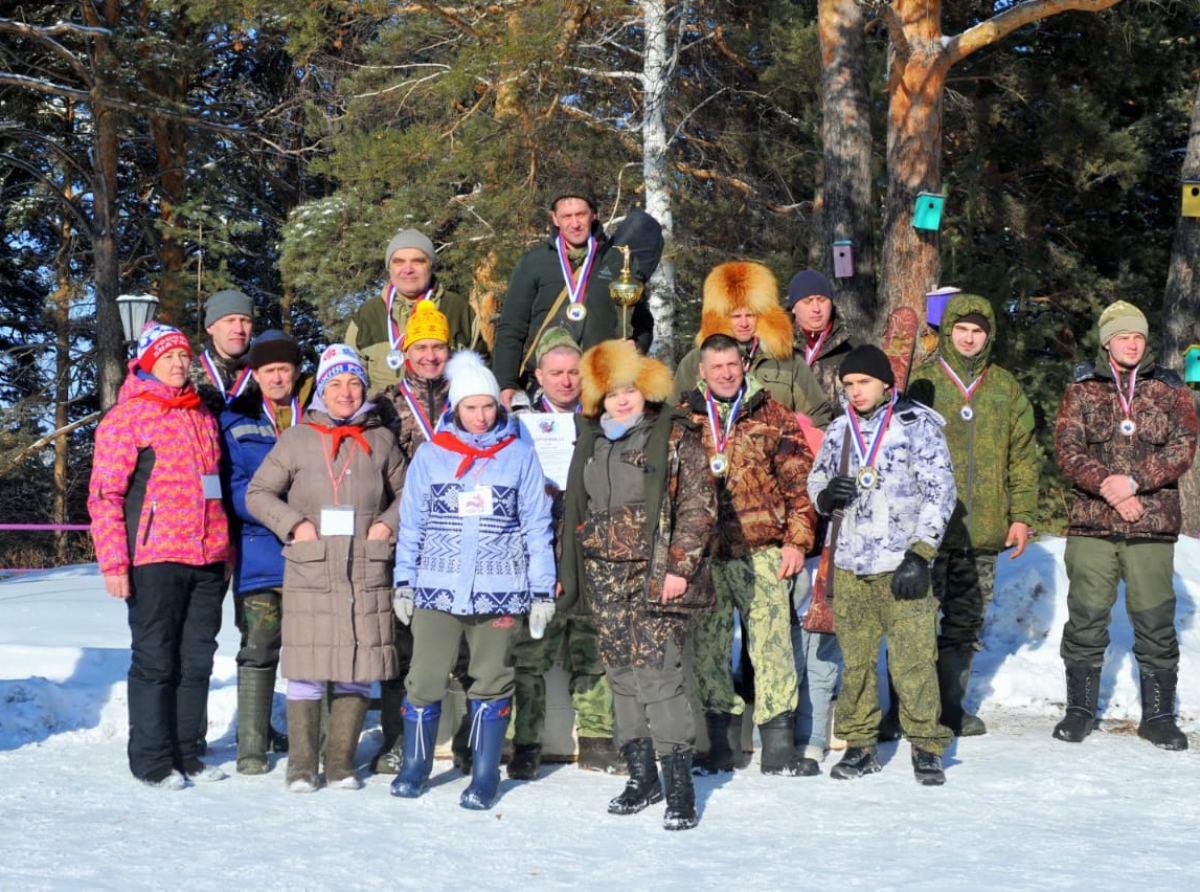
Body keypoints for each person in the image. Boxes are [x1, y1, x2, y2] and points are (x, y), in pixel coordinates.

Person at [560, 340, 717, 830]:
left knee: (659, 677)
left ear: (645, 389)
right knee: (622, 677)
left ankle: (679, 787)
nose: (621, 401)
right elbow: (577, 511)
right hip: (604, 577)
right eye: (610, 394)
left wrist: (678, 567)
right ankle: (641, 775)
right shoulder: (593, 441)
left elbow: (698, 508)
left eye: (628, 390)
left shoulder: (673, 437)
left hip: (654, 577)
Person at [390, 351, 555, 810]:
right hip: (437, 590)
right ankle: (415, 766)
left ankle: (484, 775)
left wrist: (541, 588)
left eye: (487, 406)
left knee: (492, 679)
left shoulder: (519, 455)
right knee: (423, 678)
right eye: (470, 407)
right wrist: (405, 582)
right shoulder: (432, 455)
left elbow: (536, 526)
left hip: (499, 590)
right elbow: (413, 523)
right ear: (455, 410)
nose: (480, 416)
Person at [246, 344, 407, 792]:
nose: (346, 392)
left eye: (354, 382)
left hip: (366, 567)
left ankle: (339, 764)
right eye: (335, 383)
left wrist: (386, 527)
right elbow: (258, 493)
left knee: (357, 665)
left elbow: (410, 496)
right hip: (311, 567)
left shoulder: (381, 440)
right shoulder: (296, 438)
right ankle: (301, 765)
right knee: (307, 665)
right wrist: (293, 525)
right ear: (321, 388)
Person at [88, 323, 231, 789]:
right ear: (147, 362)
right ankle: (152, 761)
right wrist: (113, 563)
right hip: (153, 556)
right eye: (166, 357)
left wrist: (225, 549)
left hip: (207, 556)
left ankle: (187, 752)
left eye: (182, 357)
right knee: (155, 659)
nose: (176, 364)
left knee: (197, 659)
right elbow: (105, 496)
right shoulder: (127, 418)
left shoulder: (202, 415)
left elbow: (217, 492)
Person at [807, 345, 956, 785]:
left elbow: (940, 492)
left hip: (903, 564)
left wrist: (921, 553)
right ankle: (859, 745)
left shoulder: (917, 426)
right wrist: (824, 496)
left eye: (864, 383)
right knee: (856, 663)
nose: (855, 391)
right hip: (852, 563)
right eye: (848, 384)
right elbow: (817, 478)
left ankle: (926, 745)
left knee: (913, 660)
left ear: (886, 384)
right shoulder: (838, 430)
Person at [1052, 300, 1197, 751]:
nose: (1132, 343)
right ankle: (1079, 710)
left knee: (1154, 618)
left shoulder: (1170, 390)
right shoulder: (1082, 389)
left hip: (1150, 524)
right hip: (1092, 526)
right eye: (1122, 336)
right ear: (1106, 343)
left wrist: (1133, 483)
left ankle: (1159, 715)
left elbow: (1184, 446)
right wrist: (1110, 487)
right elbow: (1067, 449)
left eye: (1138, 336)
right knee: (1087, 617)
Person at [680, 333, 818, 777]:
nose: (724, 373)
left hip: (762, 551)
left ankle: (778, 748)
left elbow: (801, 482)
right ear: (701, 371)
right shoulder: (683, 419)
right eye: (716, 366)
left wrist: (797, 541)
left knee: (773, 647)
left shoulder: (772, 414)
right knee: (708, 650)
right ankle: (719, 747)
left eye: (732, 365)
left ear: (744, 366)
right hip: (704, 556)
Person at [907, 293, 1039, 736]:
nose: (968, 337)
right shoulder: (922, 382)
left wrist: (1020, 514)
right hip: (927, 530)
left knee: (964, 622)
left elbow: (1022, 457)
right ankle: (907, 709)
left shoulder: (1004, 387)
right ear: (947, 332)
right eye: (960, 329)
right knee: (916, 620)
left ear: (989, 335)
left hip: (982, 529)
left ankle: (949, 707)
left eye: (977, 331)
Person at [508, 328, 622, 779]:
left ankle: (597, 741)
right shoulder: (518, 425)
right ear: (539, 375)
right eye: (555, 373)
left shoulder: (604, 419)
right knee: (531, 655)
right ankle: (525, 745)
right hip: (538, 554)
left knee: (592, 653)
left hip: (593, 551)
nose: (566, 381)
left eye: (574, 372)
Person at [219, 331, 314, 774]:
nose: (278, 377)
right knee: (258, 646)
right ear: (255, 374)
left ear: (296, 373)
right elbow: (234, 488)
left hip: (313, 555)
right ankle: (251, 747)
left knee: (312, 650)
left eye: (284, 369)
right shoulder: (236, 418)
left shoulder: (316, 416)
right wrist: (285, 518)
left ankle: (310, 743)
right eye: (269, 370)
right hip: (260, 553)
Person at [493, 184, 655, 406]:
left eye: (581, 214)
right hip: (545, 388)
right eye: (567, 216)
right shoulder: (534, 263)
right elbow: (511, 327)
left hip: (603, 386)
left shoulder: (619, 261)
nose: (575, 223)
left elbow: (643, 322)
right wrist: (506, 383)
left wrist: (637, 346)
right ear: (555, 219)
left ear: (594, 215)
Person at [672, 261, 832, 426]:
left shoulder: (788, 361)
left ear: (763, 315)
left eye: (750, 315)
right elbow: (672, 415)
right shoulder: (695, 361)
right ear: (721, 317)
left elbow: (818, 416)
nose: (744, 323)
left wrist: (799, 446)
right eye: (735, 316)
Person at [345, 228, 481, 396]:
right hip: (383, 419)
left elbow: (481, 372)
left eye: (418, 261)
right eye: (399, 262)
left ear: (431, 264)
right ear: (389, 267)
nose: (408, 269)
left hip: (445, 418)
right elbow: (350, 379)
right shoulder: (367, 314)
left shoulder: (457, 309)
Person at [787, 269, 860, 409]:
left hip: (839, 429)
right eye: (807, 301)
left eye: (822, 300)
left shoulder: (854, 348)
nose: (816, 308)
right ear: (793, 308)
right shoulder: (775, 347)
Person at [190, 288, 255, 414]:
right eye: (229, 321)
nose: (239, 329)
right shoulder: (186, 374)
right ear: (209, 327)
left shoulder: (266, 373)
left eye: (245, 321)